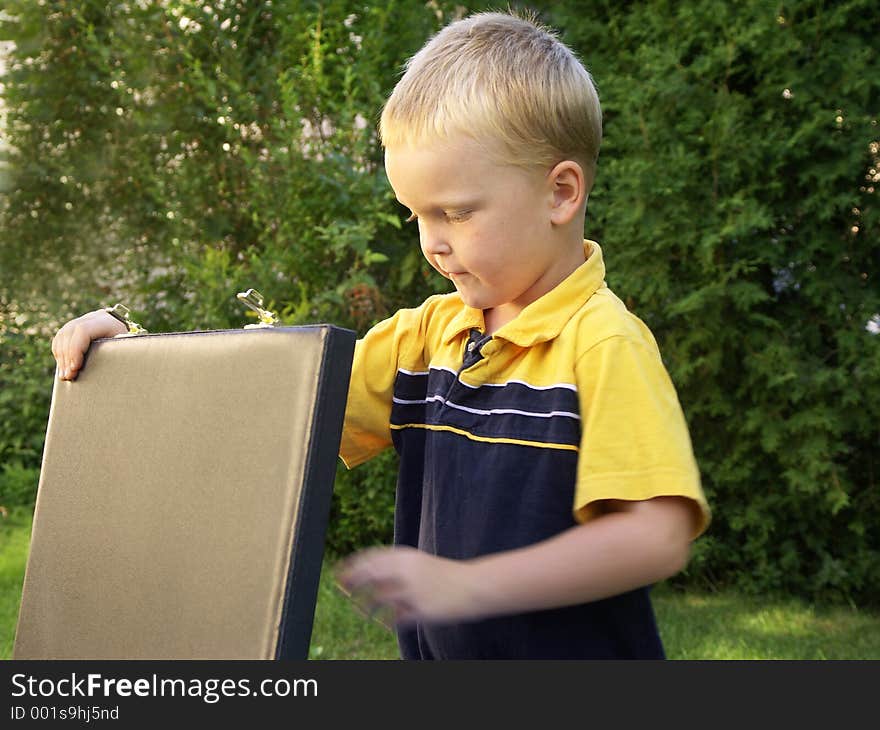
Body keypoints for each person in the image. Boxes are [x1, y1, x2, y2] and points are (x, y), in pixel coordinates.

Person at [52, 10, 710, 659]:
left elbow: (655, 534)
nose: (434, 244)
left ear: (560, 193)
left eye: (455, 212)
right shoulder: (428, 336)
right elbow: (271, 403)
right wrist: (128, 351)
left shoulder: (601, 344)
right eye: (417, 216)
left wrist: (471, 585)